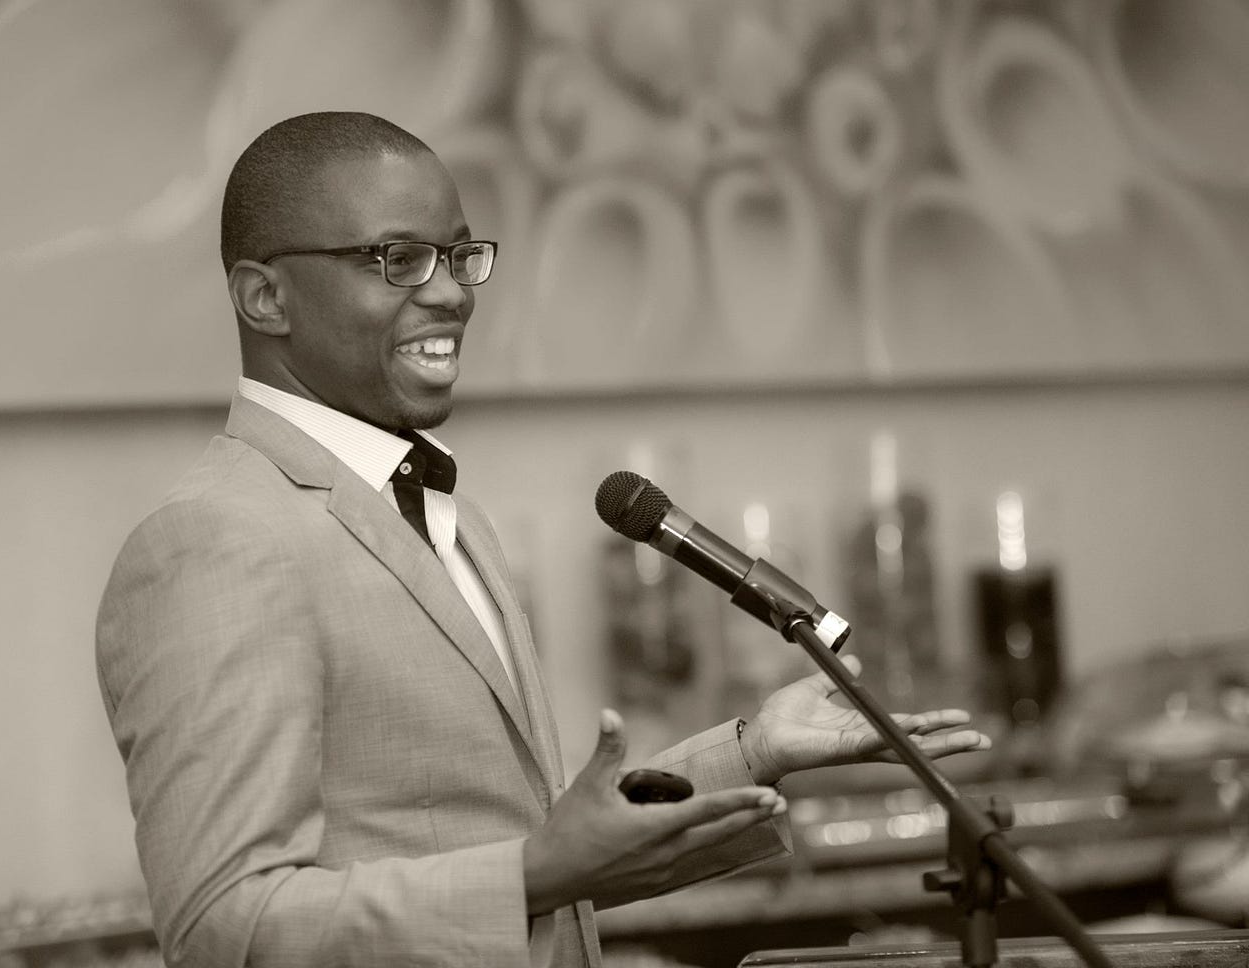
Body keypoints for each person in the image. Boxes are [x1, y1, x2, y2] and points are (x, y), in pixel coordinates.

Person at [95, 111, 990, 968]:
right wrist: (532, 874)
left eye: (459, 255)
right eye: (398, 259)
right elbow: (223, 930)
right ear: (265, 296)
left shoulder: (447, 514)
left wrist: (754, 752)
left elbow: (516, 853)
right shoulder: (214, 540)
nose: (450, 292)